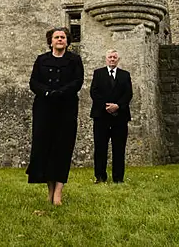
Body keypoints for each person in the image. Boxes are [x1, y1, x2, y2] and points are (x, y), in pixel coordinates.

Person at [26, 27, 84, 205]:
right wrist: (48, 93)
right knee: (45, 148)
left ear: (67, 41)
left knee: (62, 148)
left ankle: (58, 191)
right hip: (44, 108)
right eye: (56, 37)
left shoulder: (74, 60)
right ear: (50, 41)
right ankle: (49, 190)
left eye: (63, 37)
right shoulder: (41, 60)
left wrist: (60, 93)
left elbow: (77, 81)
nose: (60, 40)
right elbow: (34, 82)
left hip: (66, 108)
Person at [89, 49, 132, 184]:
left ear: (118, 60)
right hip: (101, 116)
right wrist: (106, 106)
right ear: (106, 59)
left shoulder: (125, 75)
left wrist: (117, 105)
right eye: (110, 57)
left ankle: (118, 178)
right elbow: (94, 92)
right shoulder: (98, 73)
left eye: (114, 57)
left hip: (120, 117)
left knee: (119, 148)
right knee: (100, 147)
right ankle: (100, 177)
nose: (112, 59)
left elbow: (128, 94)